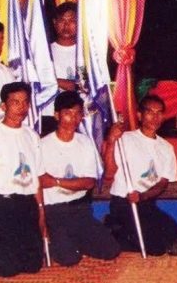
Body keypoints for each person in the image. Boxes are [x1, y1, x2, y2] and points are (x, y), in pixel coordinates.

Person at [0, 82, 45, 277]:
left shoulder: (32, 136)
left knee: (33, 266)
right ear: (4, 106)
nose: (21, 108)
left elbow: (37, 179)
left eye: (25, 102)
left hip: (27, 205)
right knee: (8, 269)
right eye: (15, 102)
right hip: (2, 206)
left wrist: (41, 213)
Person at [40, 91, 120, 265]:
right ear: (56, 115)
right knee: (69, 259)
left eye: (77, 113)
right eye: (68, 113)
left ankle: (75, 238)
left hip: (79, 209)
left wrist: (55, 181)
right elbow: (40, 184)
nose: (73, 118)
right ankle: (59, 241)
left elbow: (89, 182)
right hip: (54, 211)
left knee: (111, 250)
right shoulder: (43, 145)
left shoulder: (85, 142)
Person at [104, 94, 177, 256]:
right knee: (156, 248)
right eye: (150, 112)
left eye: (159, 113)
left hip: (146, 203)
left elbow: (162, 183)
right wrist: (111, 141)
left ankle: (122, 232)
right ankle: (113, 229)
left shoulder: (166, 147)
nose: (155, 117)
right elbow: (108, 173)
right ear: (140, 115)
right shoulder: (125, 139)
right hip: (124, 204)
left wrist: (142, 196)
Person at [47, 1, 80, 135]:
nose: (66, 25)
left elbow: (82, 87)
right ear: (55, 22)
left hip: (76, 116)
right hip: (49, 114)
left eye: (72, 21)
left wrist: (53, 81)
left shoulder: (84, 55)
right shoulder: (45, 53)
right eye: (62, 20)